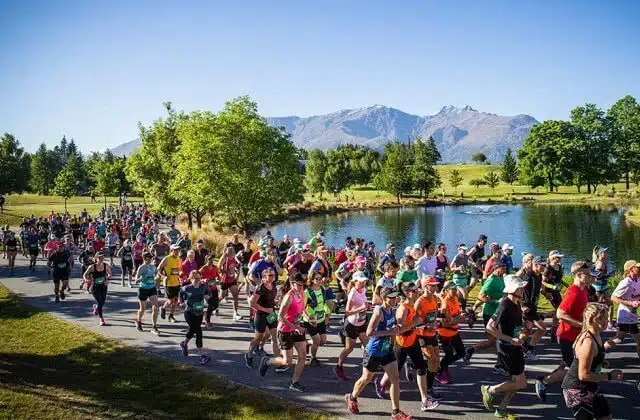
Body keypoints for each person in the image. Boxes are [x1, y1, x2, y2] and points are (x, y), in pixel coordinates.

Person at [535, 260, 600, 402]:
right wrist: (582, 325)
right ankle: (544, 381)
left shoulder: (583, 289)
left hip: (574, 335)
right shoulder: (574, 292)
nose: (591, 276)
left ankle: (554, 378)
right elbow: (560, 314)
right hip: (566, 336)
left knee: (567, 363)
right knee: (575, 369)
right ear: (579, 275)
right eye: (588, 274)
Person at [344, 287, 413, 420]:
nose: (395, 299)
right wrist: (390, 332)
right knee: (366, 378)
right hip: (374, 351)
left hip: (387, 350)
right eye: (392, 297)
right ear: (385, 298)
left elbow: (393, 329)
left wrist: (393, 341)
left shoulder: (391, 310)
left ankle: (395, 412)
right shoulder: (379, 312)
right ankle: (351, 397)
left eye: (395, 297)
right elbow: (369, 333)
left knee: (395, 379)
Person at [378, 281, 440, 411]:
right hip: (402, 344)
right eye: (414, 291)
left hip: (413, 340)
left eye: (417, 290)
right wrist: (414, 323)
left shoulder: (412, 305)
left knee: (421, 368)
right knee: (395, 370)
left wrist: (425, 326)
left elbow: (416, 323)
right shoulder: (403, 308)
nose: (417, 292)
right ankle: (381, 384)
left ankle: (425, 400)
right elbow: (399, 329)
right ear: (407, 293)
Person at [561, 303, 624, 420]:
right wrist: (610, 376)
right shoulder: (588, 342)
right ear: (592, 319)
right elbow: (583, 375)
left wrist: (600, 362)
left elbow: (592, 357)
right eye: (602, 318)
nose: (607, 320)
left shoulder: (596, 334)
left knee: (606, 416)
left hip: (590, 386)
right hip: (577, 390)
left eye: (607, 317)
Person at [481, 274, 529, 419]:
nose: (523, 289)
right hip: (507, 348)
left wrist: (524, 330)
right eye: (520, 287)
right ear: (513, 289)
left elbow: (517, 326)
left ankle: (501, 409)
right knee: (521, 383)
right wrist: (510, 339)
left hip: (515, 346)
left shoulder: (517, 304)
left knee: (516, 382)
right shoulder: (504, 304)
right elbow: (490, 327)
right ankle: (490, 390)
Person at [259, 273, 308, 392]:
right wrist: (293, 326)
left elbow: (302, 311)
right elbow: (280, 317)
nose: (301, 287)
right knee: (287, 362)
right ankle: (268, 361)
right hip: (285, 330)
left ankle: (294, 382)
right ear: (292, 284)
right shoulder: (288, 297)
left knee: (303, 356)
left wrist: (309, 318)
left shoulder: (303, 294)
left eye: (302, 285)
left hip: (297, 328)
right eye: (298, 285)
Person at [464, 261, 507, 365]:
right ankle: (470, 350)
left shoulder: (501, 277)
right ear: (496, 268)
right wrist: (497, 301)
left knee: (502, 338)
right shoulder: (491, 280)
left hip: (500, 312)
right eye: (503, 268)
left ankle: (500, 363)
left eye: (505, 268)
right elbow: (481, 296)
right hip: (490, 313)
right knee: (493, 341)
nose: (505, 270)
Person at [335, 271, 369, 381]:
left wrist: (368, 306)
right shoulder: (352, 294)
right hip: (352, 324)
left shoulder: (363, 290)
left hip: (362, 322)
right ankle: (338, 366)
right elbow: (347, 312)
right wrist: (361, 308)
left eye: (364, 281)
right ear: (355, 282)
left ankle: (368, 371)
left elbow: (363, 304)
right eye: (361, 282)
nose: (363, 283)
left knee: (368, 347)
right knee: (349, 348)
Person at [414, 275, 443, 401]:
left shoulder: (435, 299)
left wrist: (437, 323)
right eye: (433, 285)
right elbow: (413, 322)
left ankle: (413, 365)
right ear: (425, 286)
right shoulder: (420, 301)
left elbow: (433, 316)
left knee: (436, 362)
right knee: (432, 360)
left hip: (432, 334)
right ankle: (429, 389)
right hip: (422, 335)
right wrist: (426, 327)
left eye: (436, 284)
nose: (436, 287)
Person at [245, 267, 280, 367]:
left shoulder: (273, 285)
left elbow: (271, 300)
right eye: (270, 275)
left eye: (273, 275)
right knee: (258, 338)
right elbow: (252, 303)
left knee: (274, 337)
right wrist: (266, 310)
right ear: (264, 277)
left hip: (271, 314)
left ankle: (277, 362)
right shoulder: (260, 287)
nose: (272, 277)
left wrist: (275, 303)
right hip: (261, 315)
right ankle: (249, 354)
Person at [179, 271, 212, 365]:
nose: (198, 280)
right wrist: (181, 302)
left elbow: (210, 293)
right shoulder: (187, 288)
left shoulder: (203, 286)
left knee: (192, 330)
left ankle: (184, 344)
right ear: (191, 279)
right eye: (196, 278)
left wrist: (207, 296)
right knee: (198, 332)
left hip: (199, 313)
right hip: (189, 313)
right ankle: (202, 356)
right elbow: (180, 292)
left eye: (199, 278)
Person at [436, 281, 466, 384]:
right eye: (452, 289)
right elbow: (445, 323)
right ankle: (439, 371)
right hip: (445, 334)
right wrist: (460, 319)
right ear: (446, 290)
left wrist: (459, 317)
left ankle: (442, 367)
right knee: (449, 355)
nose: (455, 290)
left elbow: (457, 314)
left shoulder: (455, 299)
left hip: (454, 332)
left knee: (462, 352)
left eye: (455, 288)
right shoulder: (444, 304)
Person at [609, 259, 640, 358]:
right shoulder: (625, 283)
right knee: (621, 338)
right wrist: (631, 303)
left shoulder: (637, 280)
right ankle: (599, 351)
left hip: (632, 315)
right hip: (625, 315)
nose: (639, 269)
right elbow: (613, 297)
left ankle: (599, 351)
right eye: (637, 267)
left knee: (620, 338)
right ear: (631, 269)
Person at [518, 255, 547, 359]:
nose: (545, 267)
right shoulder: (528, 276)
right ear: (535, 265)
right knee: (542, 328)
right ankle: (529, 349)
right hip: (527, 308)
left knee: (526, 331)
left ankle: (520, 349)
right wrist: (521, 305)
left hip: (533, 307)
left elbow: (537, 290)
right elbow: (518, 290)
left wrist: (547, 294)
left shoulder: (538, 276)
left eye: (545, 265)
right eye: (542, 265)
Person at [303, 272, 329, 367]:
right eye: (317, 279)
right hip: (311, 320)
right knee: (317, 340)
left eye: (320, 278)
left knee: (323, 341)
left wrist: (327, 314)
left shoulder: (322, 289)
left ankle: (307, 343)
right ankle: (313, 358)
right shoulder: (307, 292)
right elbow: (303, 308)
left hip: (321, 319)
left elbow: (323, 304)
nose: (319, 280)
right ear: (312, 280)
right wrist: (309, 318)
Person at [83, 252, 112, 326]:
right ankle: (101, 319)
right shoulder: (92, 267)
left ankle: (95, 307)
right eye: (99, 257)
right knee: (100, 302)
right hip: (95, 287)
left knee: (102, 302)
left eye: (102, 257)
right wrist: (86, 279)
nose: (101, 259)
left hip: (103, 286)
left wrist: (108, 278)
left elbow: (110, 273)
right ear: (96, 258)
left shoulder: (106, 265)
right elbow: (85, 274)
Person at [542, 250, 565, 341]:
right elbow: (543, 281)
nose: (560, 258)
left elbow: (560, 280)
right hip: (550, 292)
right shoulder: (548, 268)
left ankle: (545, 319)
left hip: (557, 291)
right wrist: (552, 287)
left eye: (560, 257)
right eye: (558, 257)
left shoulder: (559, 267)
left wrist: (568, 285)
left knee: (558, 309)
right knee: (558, 310)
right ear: (553, 258)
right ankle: (553, 332)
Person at [135, 252, 159, 334]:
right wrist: (142, 278)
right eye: (149, 257)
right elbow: (136, 280)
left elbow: (156, 275)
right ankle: (138, 321)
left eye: (151, 257)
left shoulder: (153, 266)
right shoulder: (141, 267)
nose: (151, 259)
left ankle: (154, 326)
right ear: (144, 258)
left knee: (156, 307)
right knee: (143, 309)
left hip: (152, 288)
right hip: (143, 289)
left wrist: (156, 277)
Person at [158, 245, 183, 323]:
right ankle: (163, 308)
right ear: (171, 250)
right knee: (171, 300)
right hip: (169, 283)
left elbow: (179, 270)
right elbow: (158, 268)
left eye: (178, 250)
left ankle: (171, 316)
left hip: (177, 282)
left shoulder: (179, 259)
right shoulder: (167, 258)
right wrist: (163, 276)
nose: (177, 252)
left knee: (175, 301)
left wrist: (180, 273)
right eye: (175, 250)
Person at [218, 244, 242, 321]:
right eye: (228, 252)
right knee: (221, 296)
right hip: (225, 280)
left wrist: (236, 270)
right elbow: (218, 267)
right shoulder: (225, 258)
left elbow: (233, 266)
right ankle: (214, 307)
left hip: (232, 280)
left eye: (231, 252)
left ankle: (235, 313)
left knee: (236, 296)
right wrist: (224, 271)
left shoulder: (234, 258)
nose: (229, 253)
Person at [199, 254, 220, 328]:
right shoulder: (203, 268)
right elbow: (196, 277)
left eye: (212, 260)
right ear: (206, 260)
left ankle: (206, 313)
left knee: (216, 305)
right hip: (206, 289)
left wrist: (218, 279)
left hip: (214, 288)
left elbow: (218, 276)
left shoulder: (215, 267)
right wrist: (203, 280)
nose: (211, 261)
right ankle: (207, 321)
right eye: (209, 260)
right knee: (210, 304)